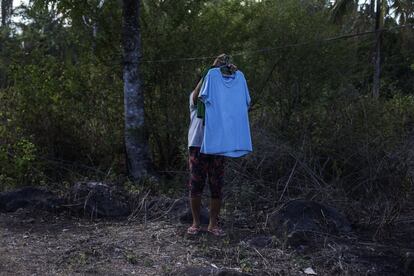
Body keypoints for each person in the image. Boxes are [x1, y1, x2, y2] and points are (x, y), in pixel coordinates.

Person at [186, 54, 237, 237]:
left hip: (217, 146)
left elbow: (234, 99)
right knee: (195, 186)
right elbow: (198, 93)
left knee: (216, 186)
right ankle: (196, 223)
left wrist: (231, 76)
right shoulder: (194, 99)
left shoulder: (220, 103)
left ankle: (213, 224)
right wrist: (212, 70)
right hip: (198, 145)